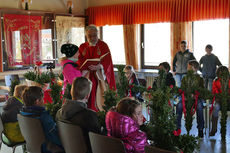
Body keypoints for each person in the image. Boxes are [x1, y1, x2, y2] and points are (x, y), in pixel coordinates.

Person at [56, 77, 100, 153]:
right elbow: (98, 142)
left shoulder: (59, 113)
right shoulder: (90, 116)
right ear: (87, 96)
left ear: (71, 91)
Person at [78, 24, 116, 111]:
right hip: (86, 75)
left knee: (96, 89)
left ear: (97, 34)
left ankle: (98, 111)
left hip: (99, 76)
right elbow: (79, 60)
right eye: (89, 36)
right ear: (86, 36)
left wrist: (99, 66)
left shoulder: (103, 45)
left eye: (94, 35)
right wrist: (85, 66)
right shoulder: (82, 46)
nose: (92, 38)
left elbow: (108, 61)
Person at [20, 86, 64, 153]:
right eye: (42, 99)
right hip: (47, 149)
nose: (43, 101)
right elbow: (56, 138)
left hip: (34, 148)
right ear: (37, 101)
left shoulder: (22, 114)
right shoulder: (43, 116)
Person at [175, 60, 205, 138]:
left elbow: (202, 91)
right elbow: (182, 89)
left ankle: (200, 129)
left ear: (195, 68)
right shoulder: (185, 78)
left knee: (199, 106)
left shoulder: (200, 79)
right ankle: (177, 128)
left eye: (189, 67)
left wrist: (196, 95)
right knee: (179, 106)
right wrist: (186, 94)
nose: (187, 68)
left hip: (197, 99)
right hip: (186, 98)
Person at [209, 66, 230, 136]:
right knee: (216, 107)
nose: (222, 73)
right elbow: (214, 90)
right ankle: (214, 129)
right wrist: (218, 96)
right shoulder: (216, 80)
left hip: (229, 100)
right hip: (219, 100)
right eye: (220, 72)